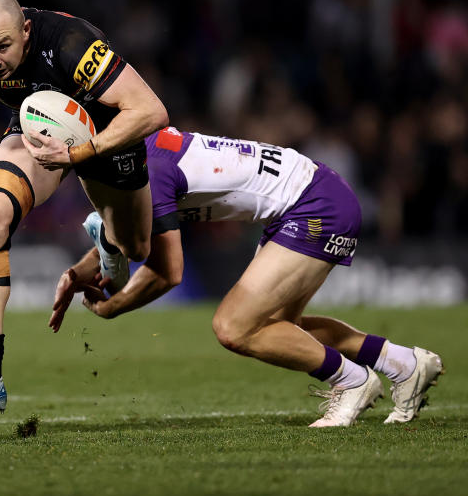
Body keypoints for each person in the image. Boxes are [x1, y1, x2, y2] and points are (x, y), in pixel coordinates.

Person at [50, 126, 444, 427]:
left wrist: (114, 306)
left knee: (233, 326)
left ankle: (352, 381)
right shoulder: (139, 153)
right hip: (312, 196)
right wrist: (78, 272)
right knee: (280, 328)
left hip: (315, 207)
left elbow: (168, 272)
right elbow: (126, 233)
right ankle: (404, 365)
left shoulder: (147, 171)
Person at [0, 0, 169, 416]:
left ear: (25, 31)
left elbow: (152, 112)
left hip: (105, 133)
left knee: (137, 248)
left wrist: (79, 153)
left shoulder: (71, 45)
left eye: (3, 47)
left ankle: (109, 240)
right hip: (39, 127)